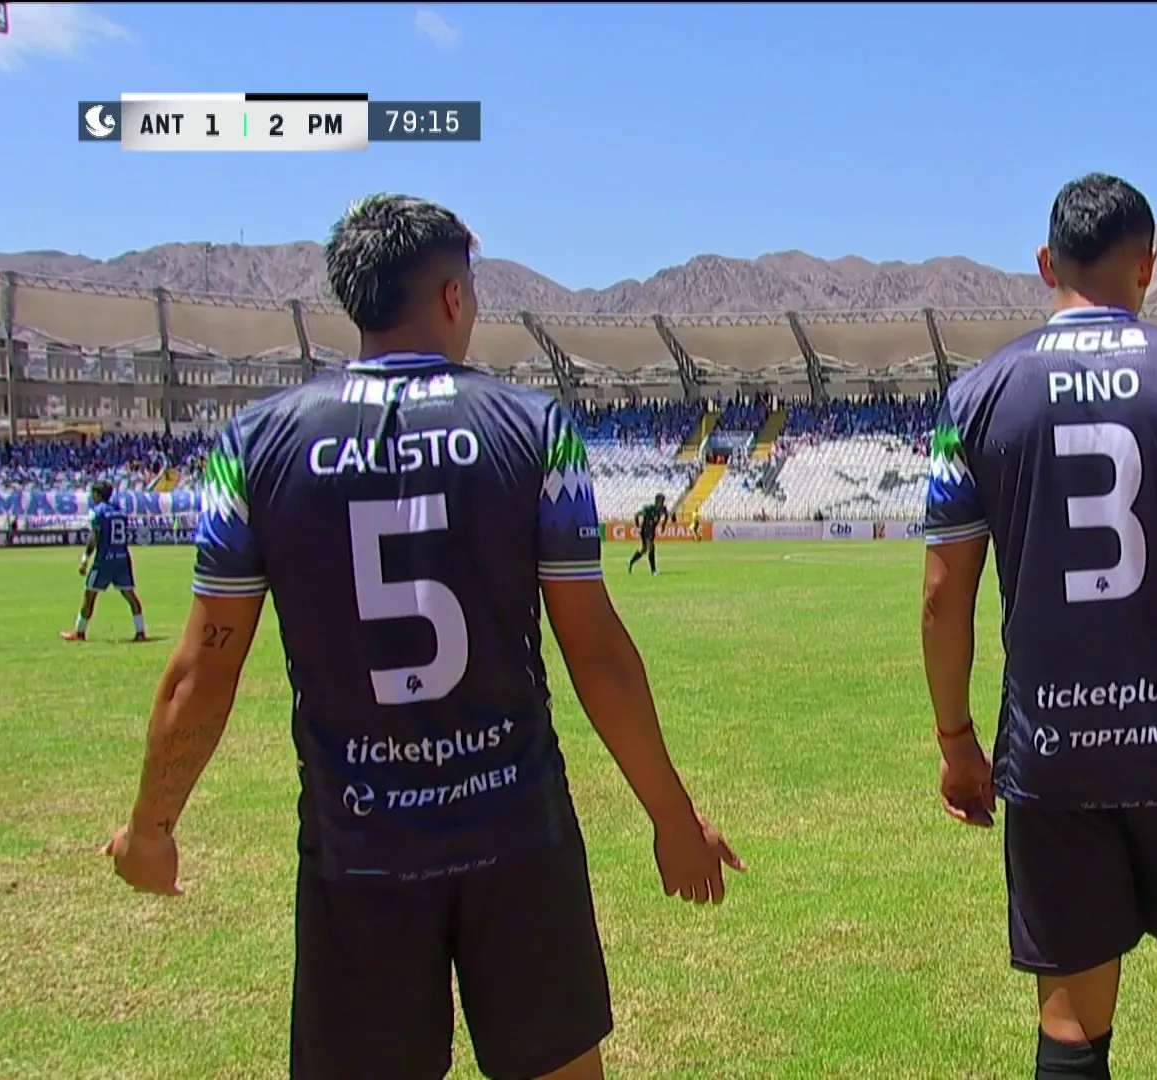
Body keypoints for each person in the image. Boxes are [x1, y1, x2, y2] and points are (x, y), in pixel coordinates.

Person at [102, 194, 742, 1080]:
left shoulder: (251, 445)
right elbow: (593, 651)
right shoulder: (534, 430)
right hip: (517, 833)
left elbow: (198, 674)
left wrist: (151, 826)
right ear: (451, 298)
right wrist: (673, 818)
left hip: (357, 848)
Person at [922, 173, 1157, 1080]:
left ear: (1047, 262)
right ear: (1149, 267)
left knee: (1073, 1026)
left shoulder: (974, 399)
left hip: (1052, 749)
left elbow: (943, 594)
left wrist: (957, 738)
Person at [62, 480, 147, 642]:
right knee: (130, 595)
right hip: (122, 558)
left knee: (90, 594)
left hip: (104, 560)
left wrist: (85, 559)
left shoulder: (97, 512)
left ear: (97, 495)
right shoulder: (120, 512)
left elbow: (94, 536)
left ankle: (79, 633)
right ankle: (140, 631)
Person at [627, 492, 669, 575]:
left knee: (643, 549)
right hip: (645, 530)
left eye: (663, 501)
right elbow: (637, 514)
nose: (662, 503)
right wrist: (637, 524)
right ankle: (653, 570)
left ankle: (631, 561)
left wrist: (663, 525)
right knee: (651, 548)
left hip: (652, 530)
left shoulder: (663, 509)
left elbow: (666, 515)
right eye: (661, 501)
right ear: (656, 501)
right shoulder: (649, 508)